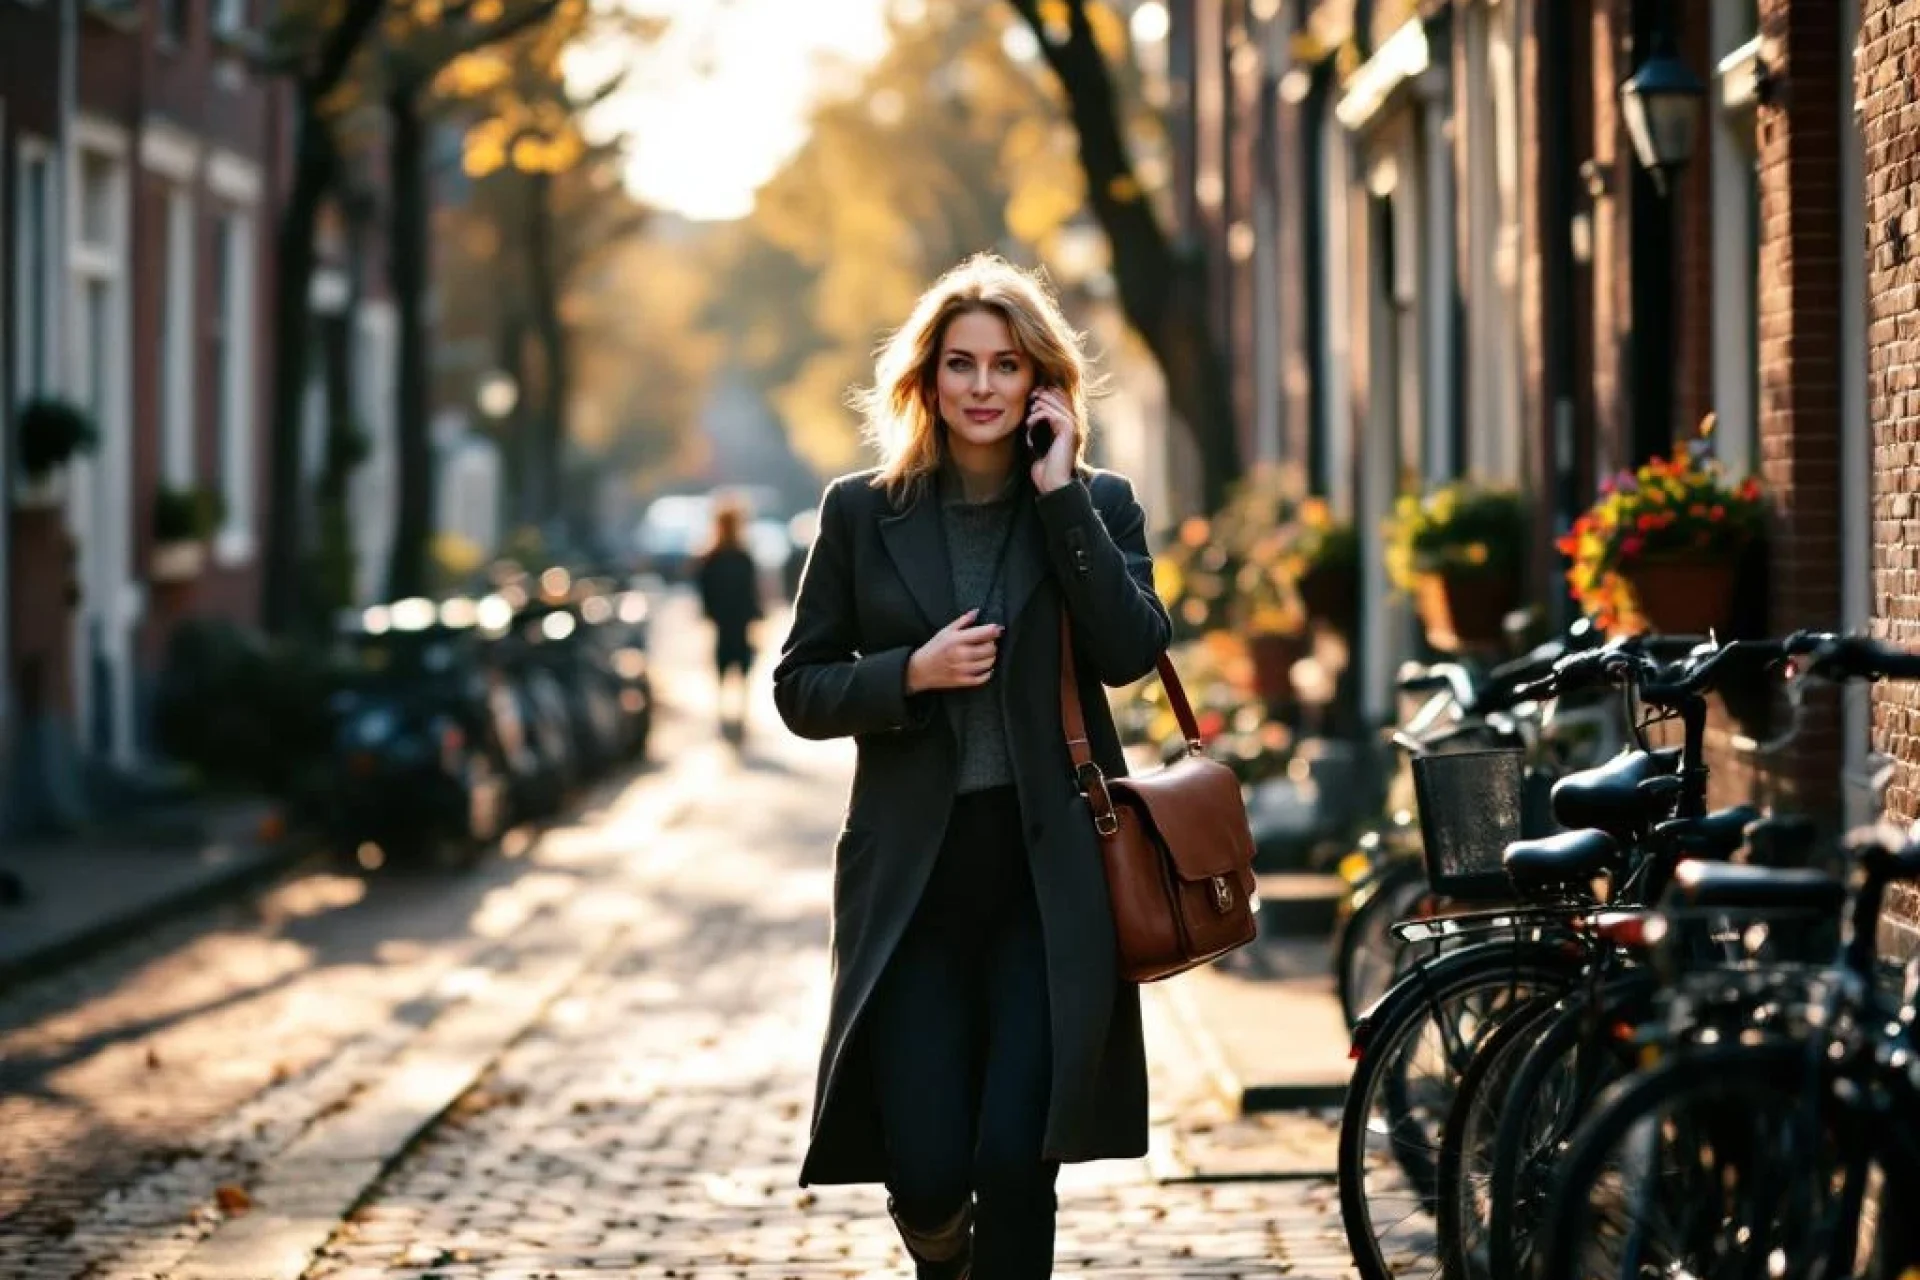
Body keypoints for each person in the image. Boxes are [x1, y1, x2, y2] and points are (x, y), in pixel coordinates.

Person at [772, 253, 1172, 1278]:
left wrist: (1060, 494)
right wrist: (908, 673)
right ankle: (943, 1252)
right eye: (962, 363)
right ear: (927, 378)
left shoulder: (1098, 503)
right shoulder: (862, 512)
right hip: (915, 888)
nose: (983, 386)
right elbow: (800, 687)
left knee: (1017, 1160)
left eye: (1005, 364)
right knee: (928, 1167)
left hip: (1050, 886)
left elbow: (1130, 651)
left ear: (1041, 380)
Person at [694, 497, 765, 737]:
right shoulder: (741, 556)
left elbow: (705, 591)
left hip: (725, 620)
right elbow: (752, 590)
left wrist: (710, 611)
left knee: (724, 662)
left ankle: (725, 710)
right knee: (740, 663)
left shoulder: (711, 558)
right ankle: (738, 710)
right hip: (738, 620)